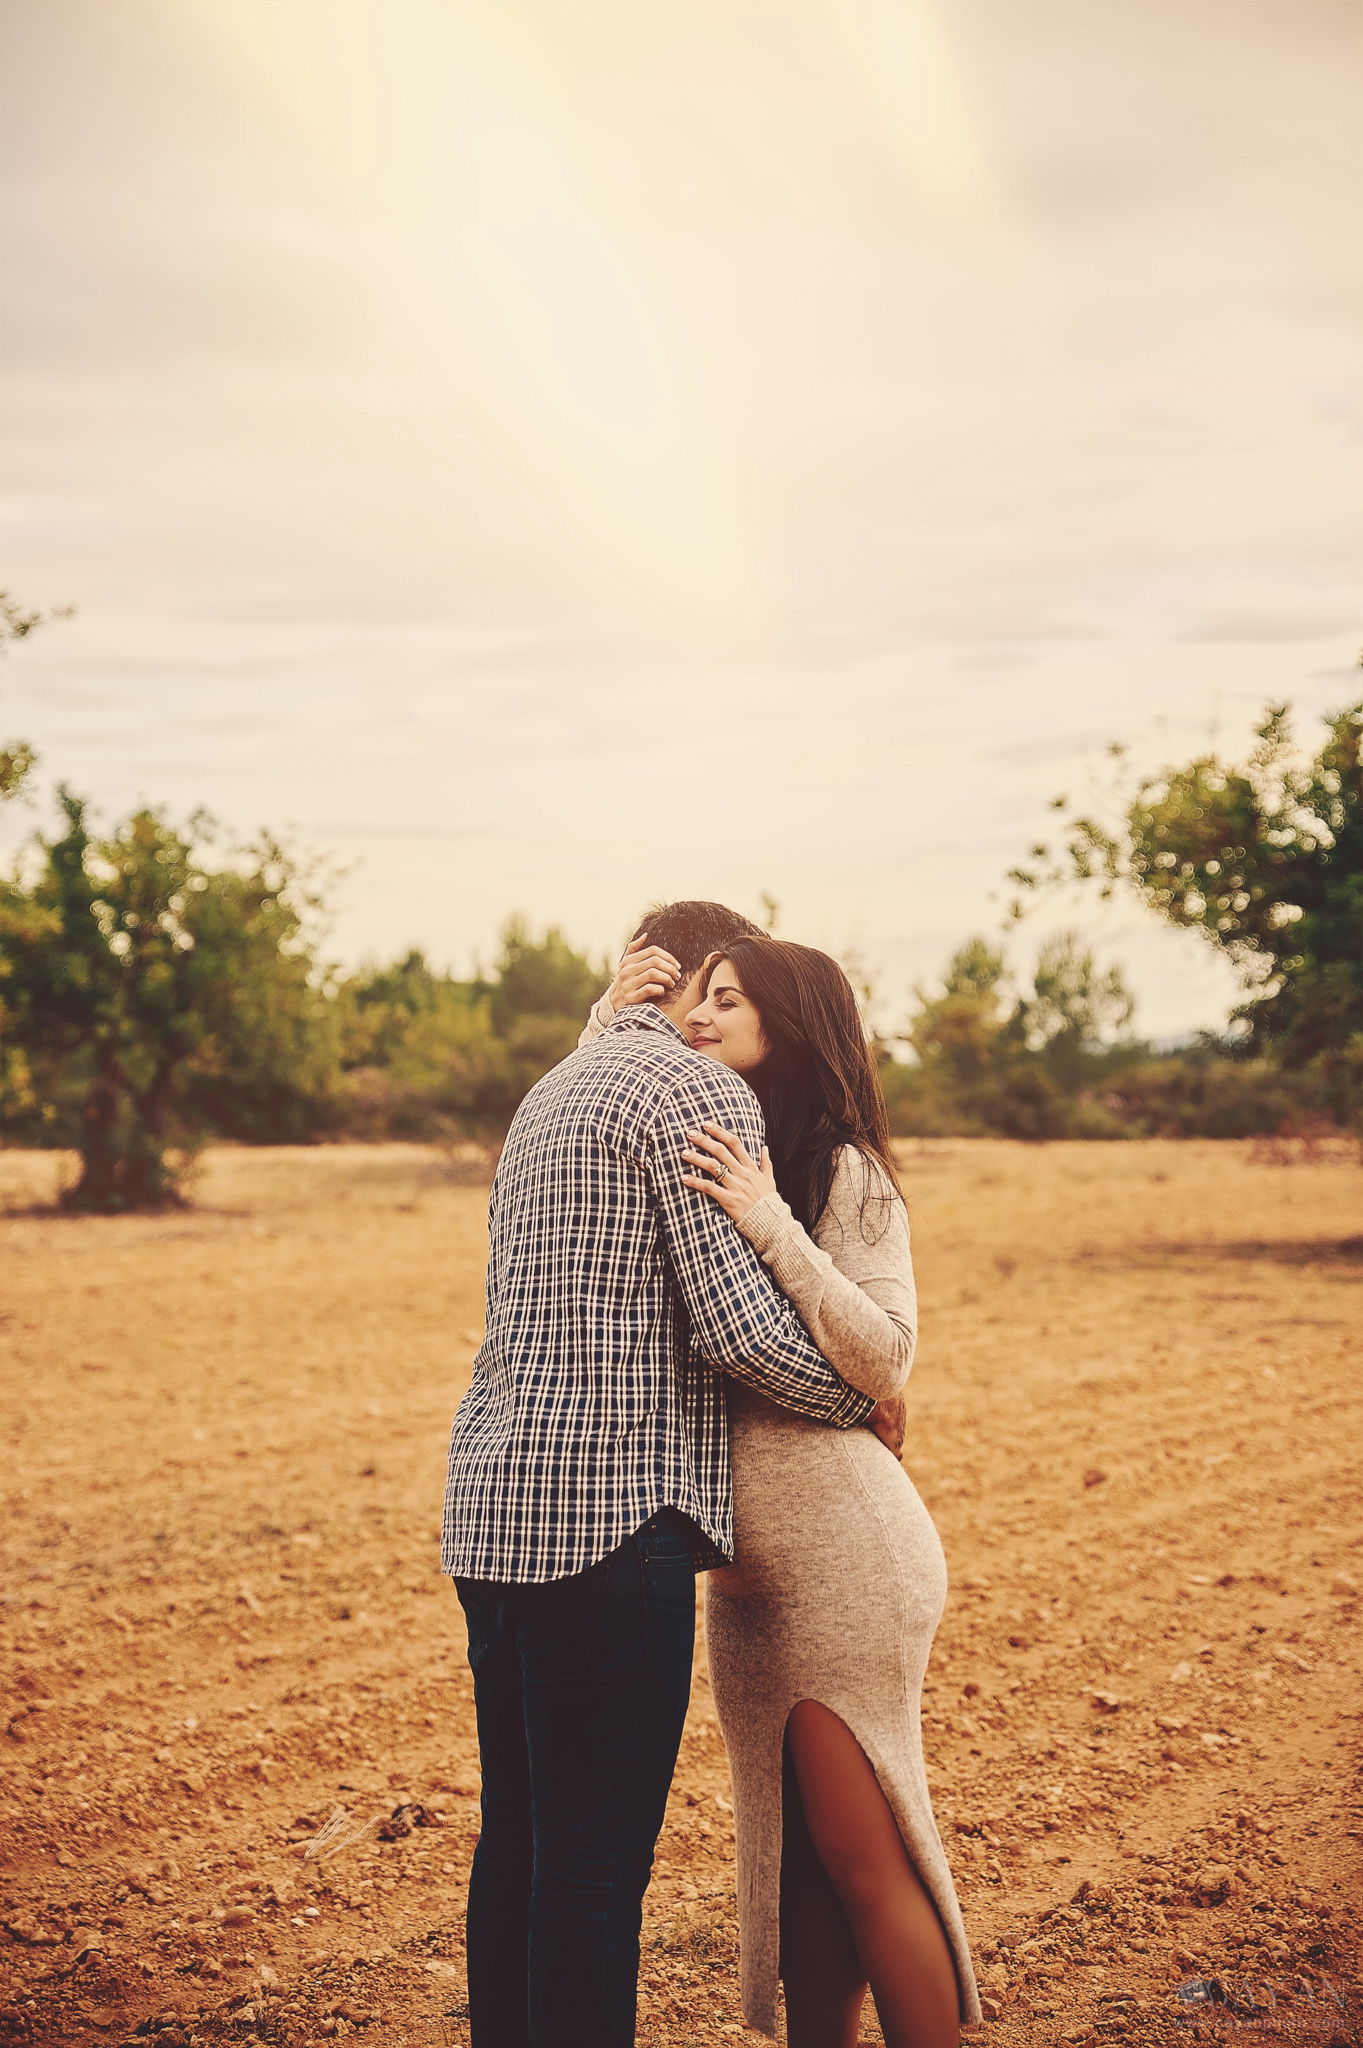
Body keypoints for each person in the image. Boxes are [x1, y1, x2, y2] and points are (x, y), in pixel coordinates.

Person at [441, 901, 890, 2048]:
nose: (715, 1012)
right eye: (718, 985)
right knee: (592, 1869)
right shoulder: (694, 1091)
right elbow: (738, 1329)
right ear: (678, 978)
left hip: (489, 1506)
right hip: (609, 1522)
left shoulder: (550, 1091)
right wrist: (861, 1398)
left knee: (516, 1840)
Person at [581, 934, 981, 2048]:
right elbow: (591, 1147)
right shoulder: (703, 1149)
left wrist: (772, 1224)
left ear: (789, 1023)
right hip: (749, 1580)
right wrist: (605, 1024)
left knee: (862, 1854)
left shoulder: (840, 1168)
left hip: (845, 1556)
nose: (699, 1014)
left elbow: (885, 1356)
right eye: (694, 997)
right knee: (795, 1864)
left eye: (727, 998)